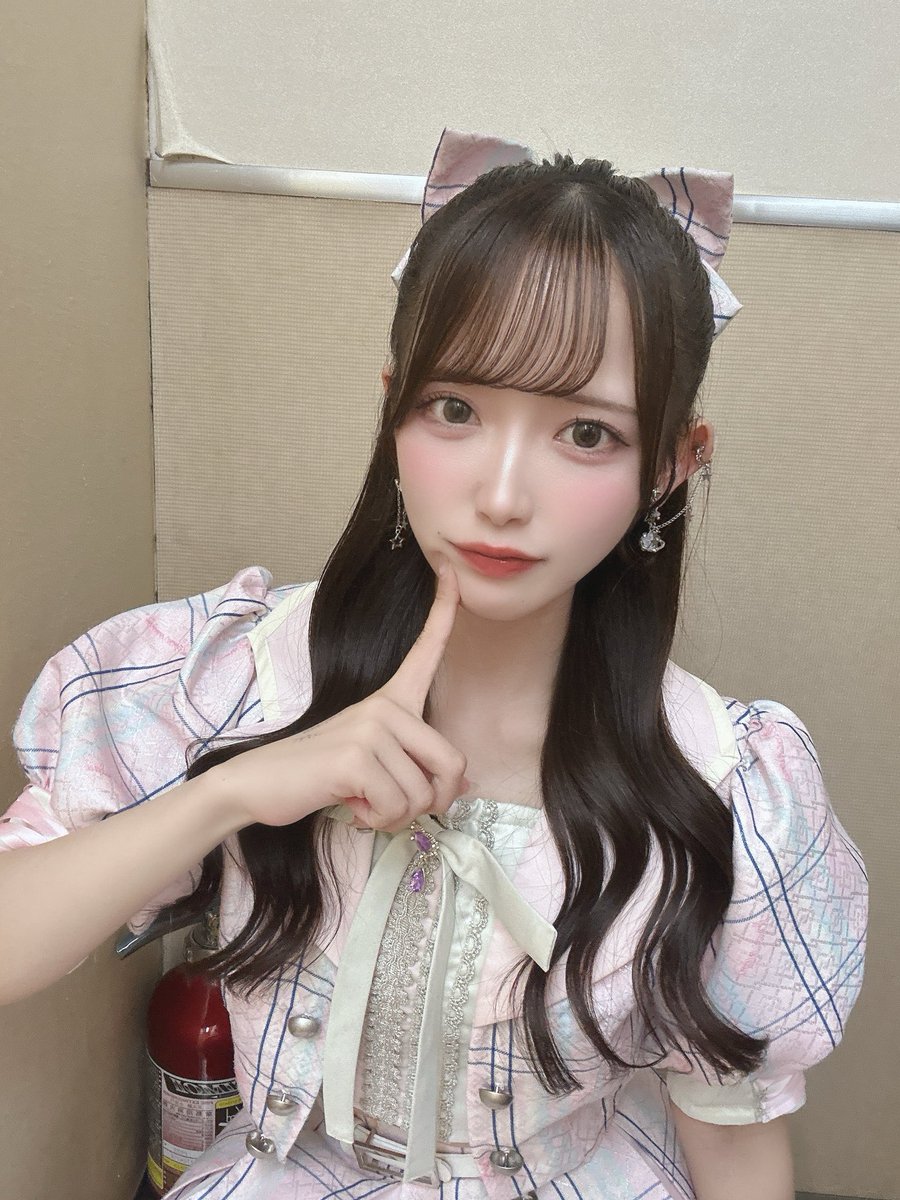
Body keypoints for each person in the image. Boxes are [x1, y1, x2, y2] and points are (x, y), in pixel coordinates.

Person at [0, 128, 868, 1200]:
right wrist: (233, 790)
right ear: (392, 408)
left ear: (672, 466)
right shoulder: (250, 674)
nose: (501, 494)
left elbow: (732, 1135)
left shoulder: (724, 786)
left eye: (586, 434)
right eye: (455, 410)